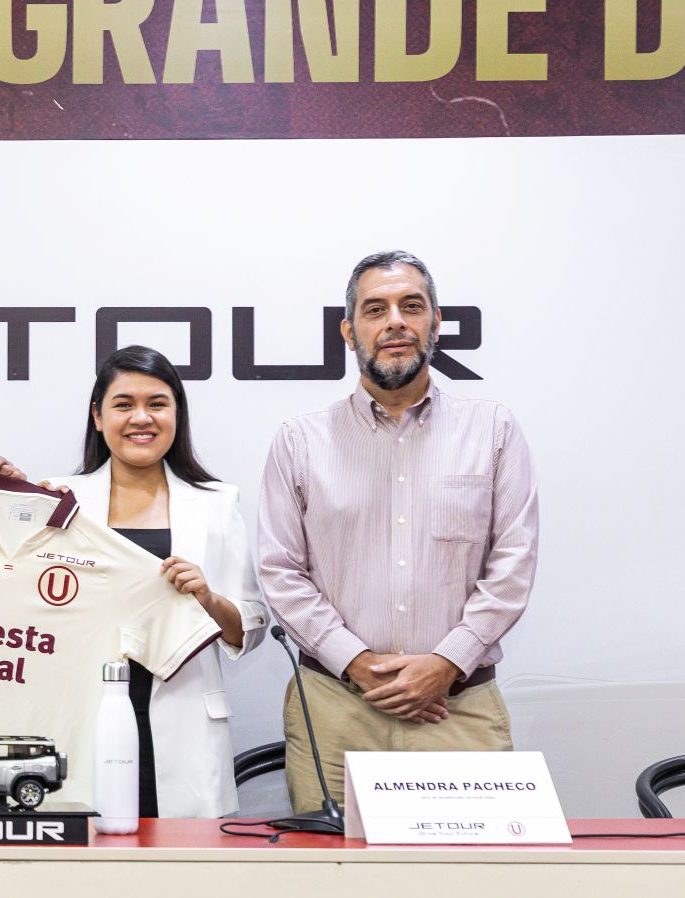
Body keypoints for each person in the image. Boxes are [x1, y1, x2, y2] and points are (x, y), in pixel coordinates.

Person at [257, 250, 538, 812]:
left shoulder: (493, 430)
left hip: (457, 708)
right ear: (348, 331)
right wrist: (358, 664)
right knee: (332, 868)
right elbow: (280, 572)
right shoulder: (300, 441)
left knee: (475, 868)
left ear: (435, 323)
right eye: (375, 309)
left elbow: (513, 563)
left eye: (412, 306)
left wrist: (446, 663)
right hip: (336, 711)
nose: (395, 322)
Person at [39, 345, 268, 818]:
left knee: (183, 860)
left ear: (176, 415)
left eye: (157, 404)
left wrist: (206, 597)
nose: (141, 418)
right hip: (84, 714)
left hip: (187, 723)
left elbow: (248, 628)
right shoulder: (60, 501)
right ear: (98, 416)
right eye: (124, 404)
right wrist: (7, 496)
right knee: (85, 853)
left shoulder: (217, 504)